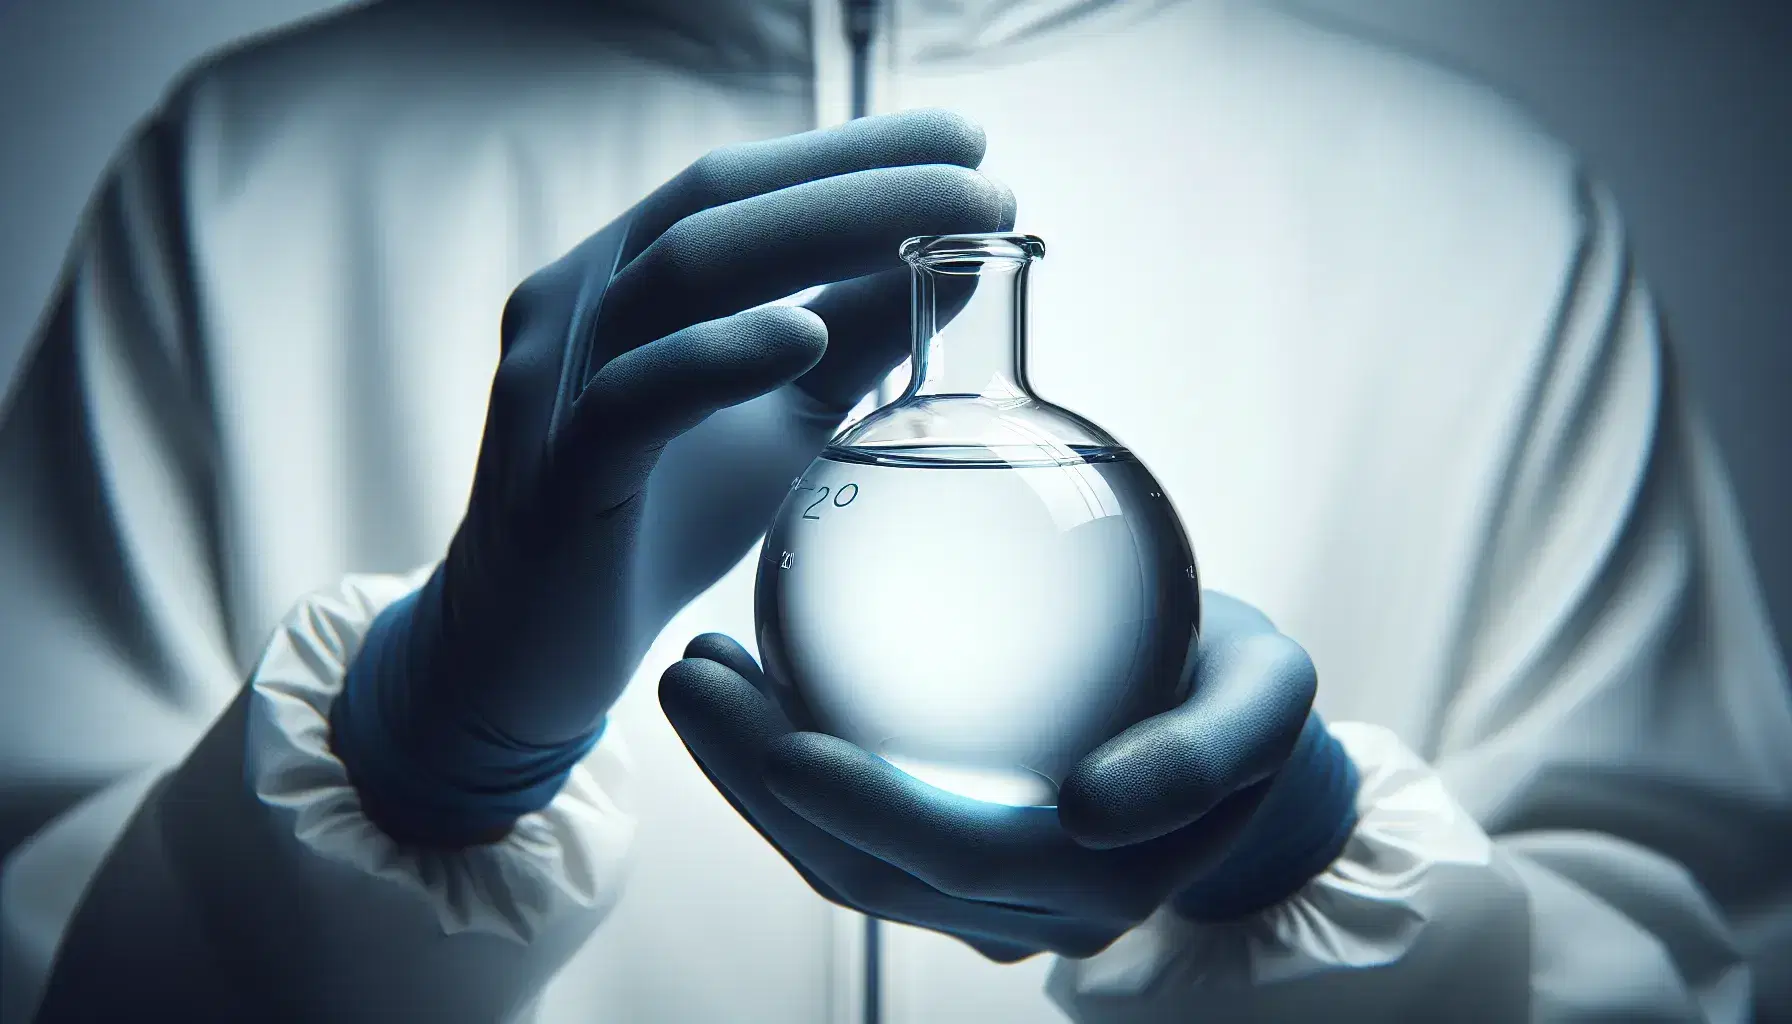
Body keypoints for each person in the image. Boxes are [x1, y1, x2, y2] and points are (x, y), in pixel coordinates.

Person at [2, 0, 1789, 1021]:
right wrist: (408, 756)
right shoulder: (246, 173)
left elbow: (1704, 976)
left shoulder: (1476, 207)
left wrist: (1311, 873)